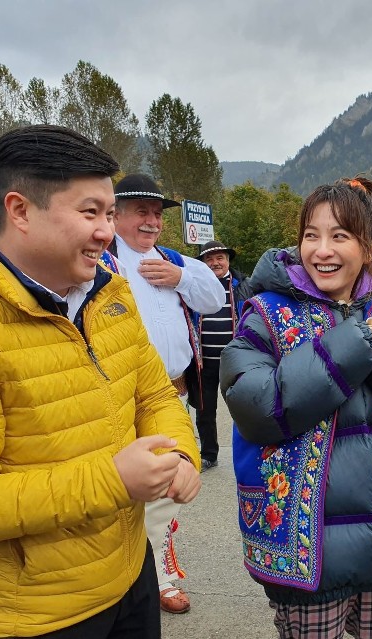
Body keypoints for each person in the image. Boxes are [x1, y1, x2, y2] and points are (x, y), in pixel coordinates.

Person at [0, 125, 201, 638]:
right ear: (20, 211)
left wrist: (180, 454)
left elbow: (153, 392)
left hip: (130, 576)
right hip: (34, 614)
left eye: (109, 214)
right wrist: (113, 481)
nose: (108, 231)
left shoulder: (110, 292)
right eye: (90, 213)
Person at [220, 177, 372, 639]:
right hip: (310, 549)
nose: (322, 249)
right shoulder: (265, 313)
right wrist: (352, 344)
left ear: (366, 247)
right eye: (311, 235)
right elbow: (257, 408)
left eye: (339, 236)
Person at [110, 173, 225, 614]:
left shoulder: (174, 259)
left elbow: (214, 297)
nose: (152, 222)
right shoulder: (101, 260)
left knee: (163, 490)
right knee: (119, 488)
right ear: (115, 213)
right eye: (141, 211)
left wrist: (178, 277)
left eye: (157, 214)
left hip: (170, 394)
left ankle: (153, 574)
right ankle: (125, 579)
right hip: (118, 396)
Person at [195, 240, 250, 471]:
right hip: (204, 362)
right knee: (204, 411)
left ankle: (252, 452)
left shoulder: (244, 285)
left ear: (228, 260)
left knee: (246, 408)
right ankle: (209, 454)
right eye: (209, 259)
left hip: (236, 362)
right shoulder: (195, 285)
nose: (215, 263)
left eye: (220, 258)